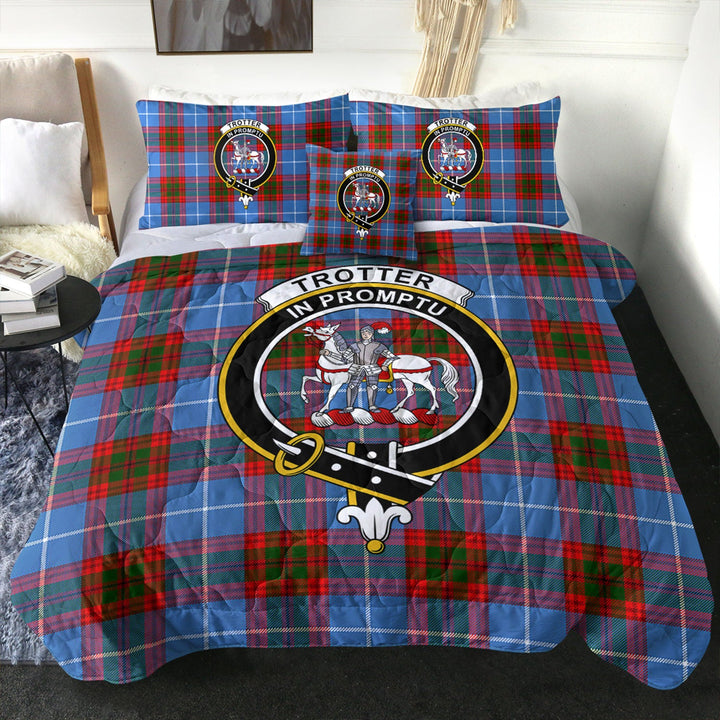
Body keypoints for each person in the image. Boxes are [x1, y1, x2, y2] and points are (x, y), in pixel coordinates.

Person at [343, 324, 397, 412]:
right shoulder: (355, 345)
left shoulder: (378, 345)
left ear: (372, 334)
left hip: (372, 368)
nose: (365, 334)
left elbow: (391, 357)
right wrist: (330, 354)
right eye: (363, 333)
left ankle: (372, 406)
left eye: (367, 333)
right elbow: (344, 357)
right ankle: (349, 406)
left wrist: (385, 365)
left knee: (372, 386)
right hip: (357, 368)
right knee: (352, 386)